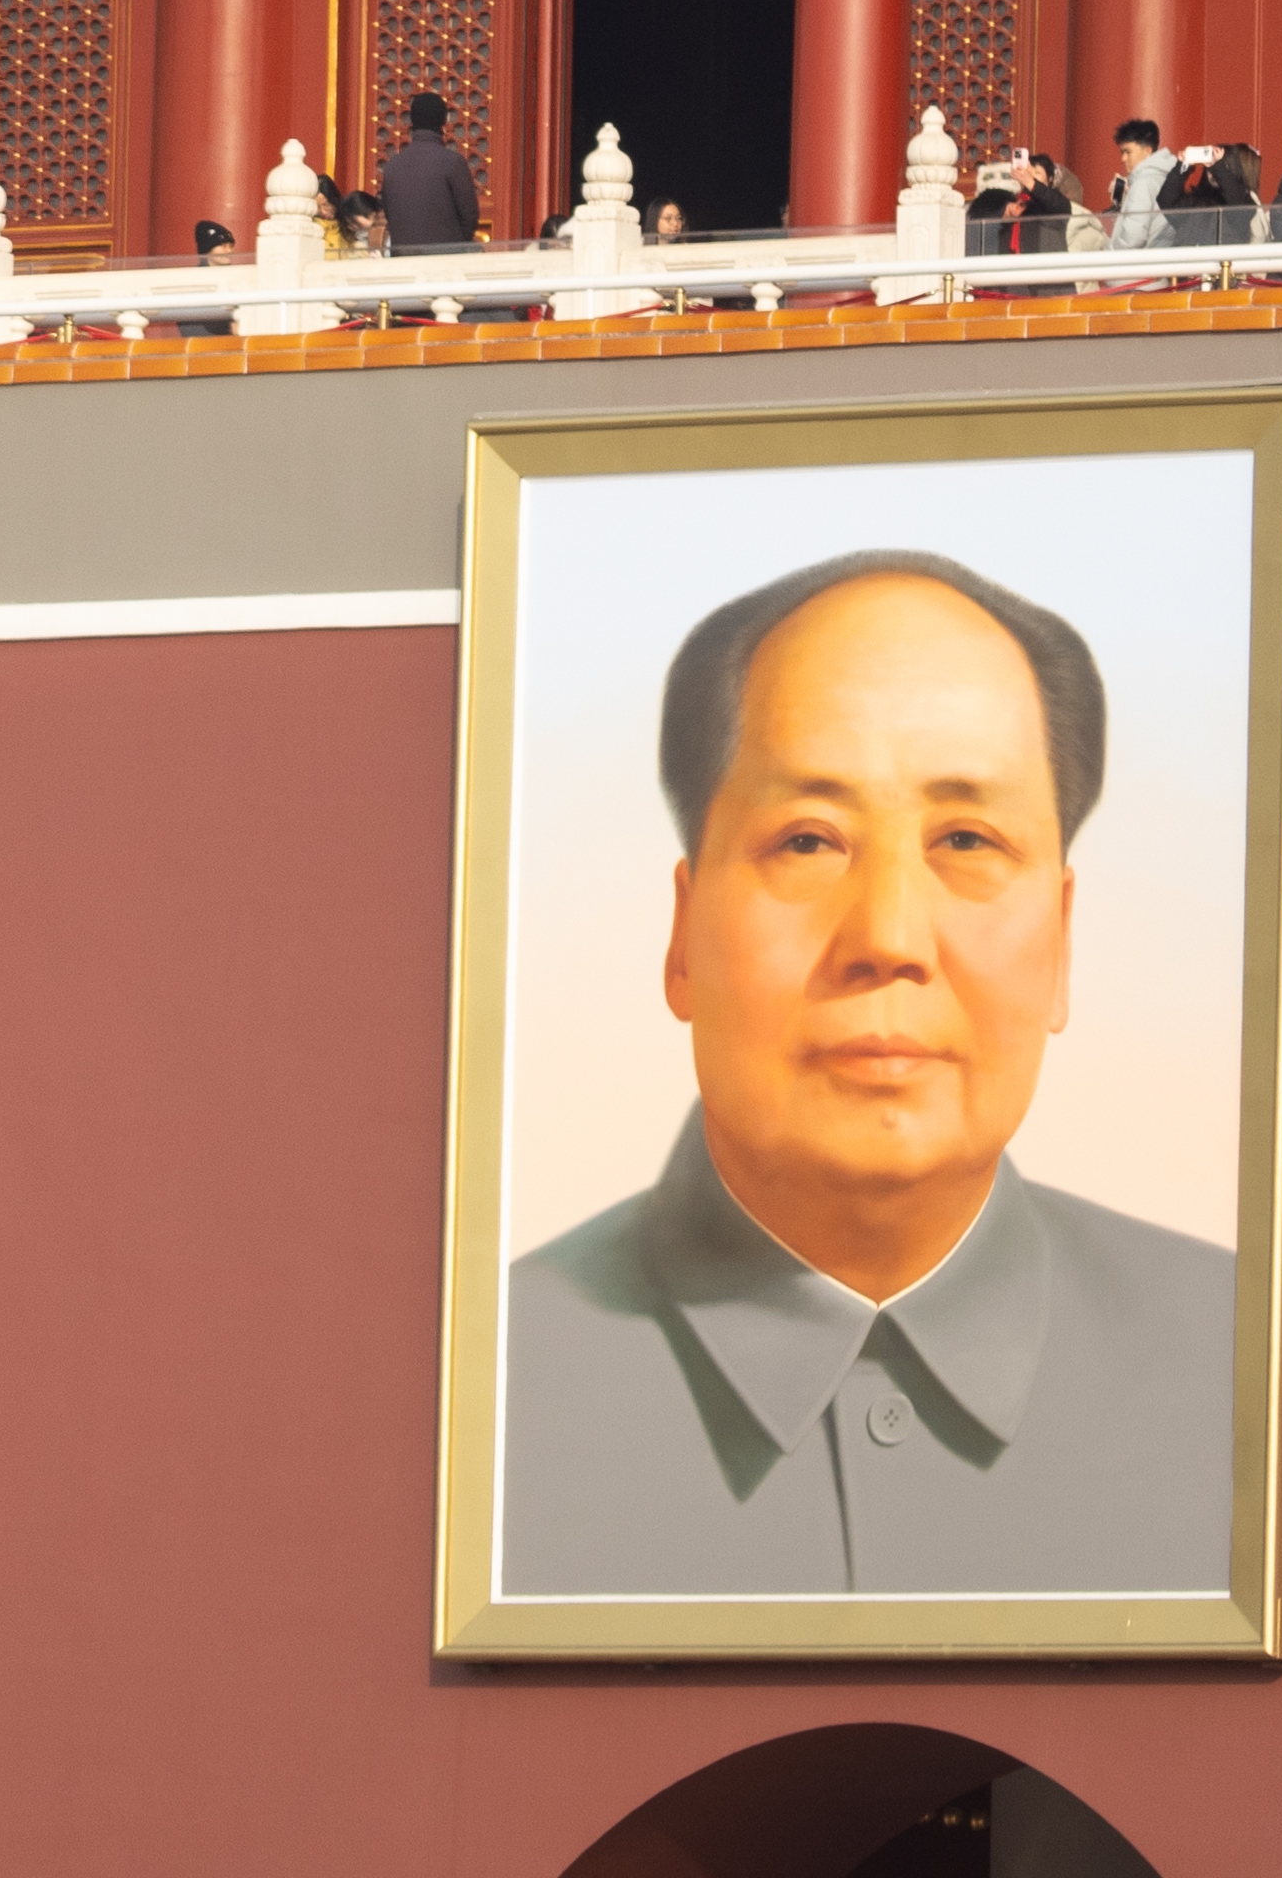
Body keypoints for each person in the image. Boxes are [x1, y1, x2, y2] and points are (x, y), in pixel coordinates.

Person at [499, 554, 1230, 1599]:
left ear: (1062, 940)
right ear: (681, 936)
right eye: (807, 839)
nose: (887, 935)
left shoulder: (1253, 1366)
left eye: (966, 838)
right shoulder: (478, 1389)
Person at [381, 91, 480, 254]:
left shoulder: (392, 166)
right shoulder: (452, 162)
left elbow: (390, 214)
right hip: (445, 262)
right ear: (444, 120)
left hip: (404, 261)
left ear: (411, 120)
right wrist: (454, 244)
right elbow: (469, 216)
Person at [1102, 119, 1172, 255]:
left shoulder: (1143, 184)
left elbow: (1134, 237)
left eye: (1128, 152)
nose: (1123, 159)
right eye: (1122, 153)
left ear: (1147, 150)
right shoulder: (1166, 179)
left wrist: (1110, 255)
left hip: (1135, 269)